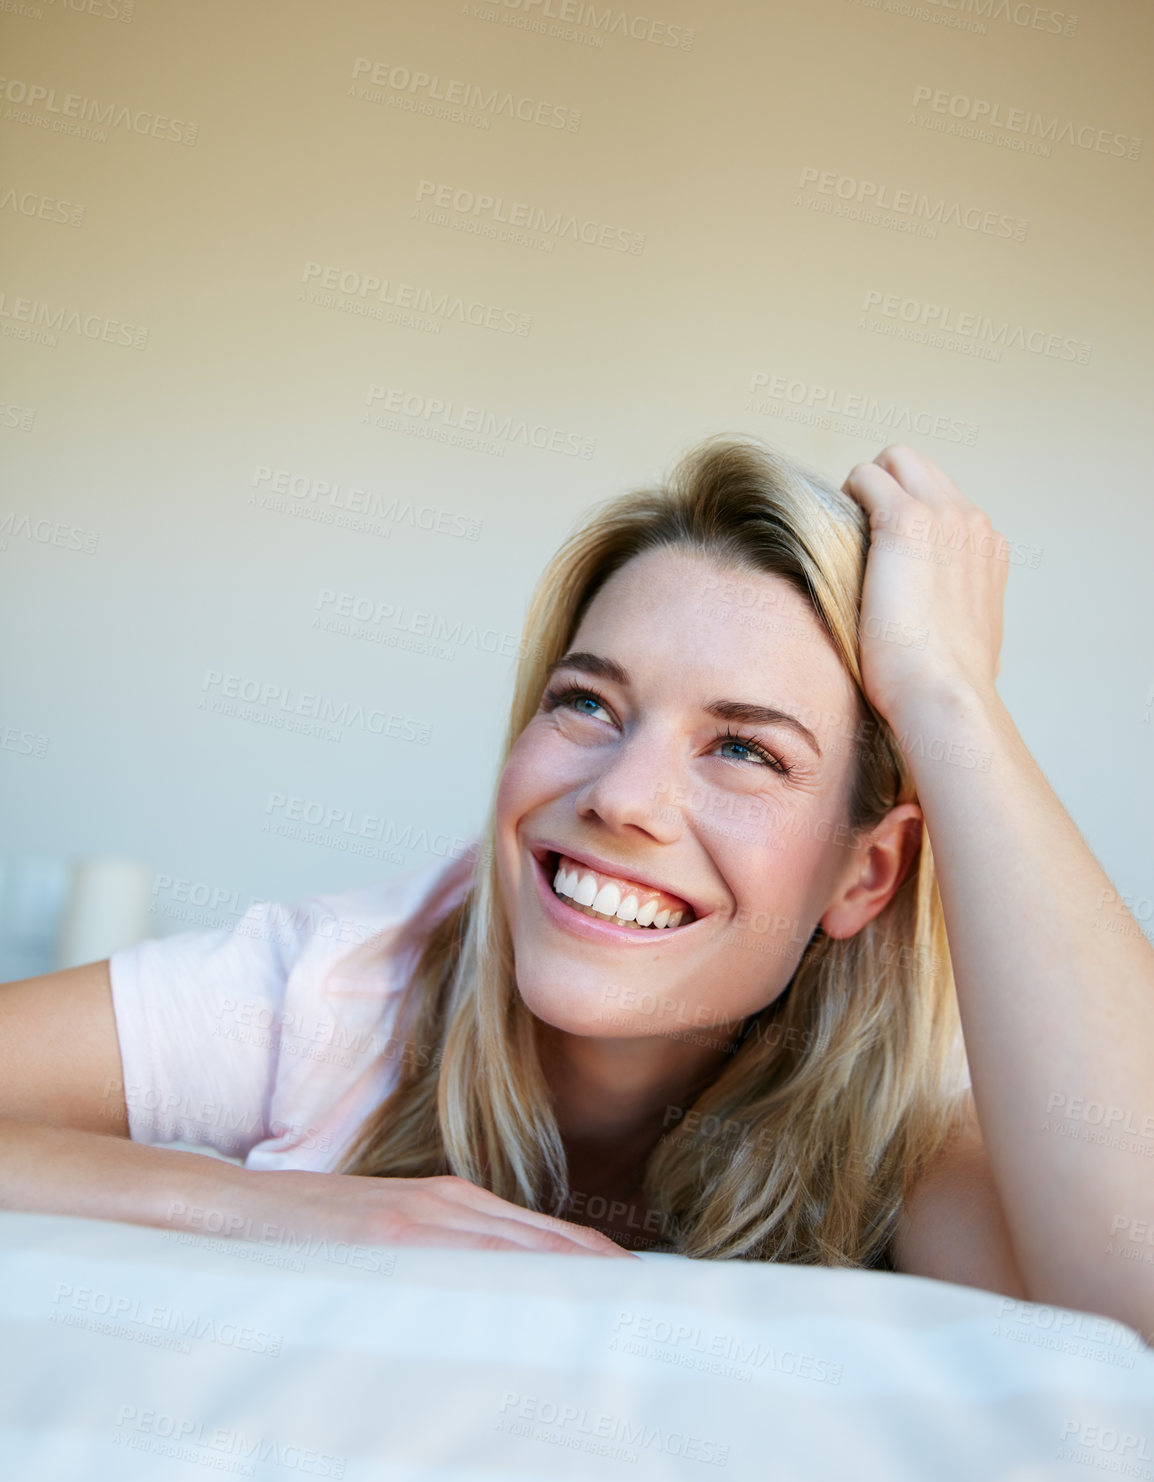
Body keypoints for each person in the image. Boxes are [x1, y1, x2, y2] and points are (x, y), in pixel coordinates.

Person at [1, 438, 1151, 1339]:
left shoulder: (909, 1128)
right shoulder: (334, 989)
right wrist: (274, 1209)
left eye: (744, 748)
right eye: (588, 703)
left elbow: (1133, 1287)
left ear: (863, 875)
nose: (623, 797)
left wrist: (946, 691)